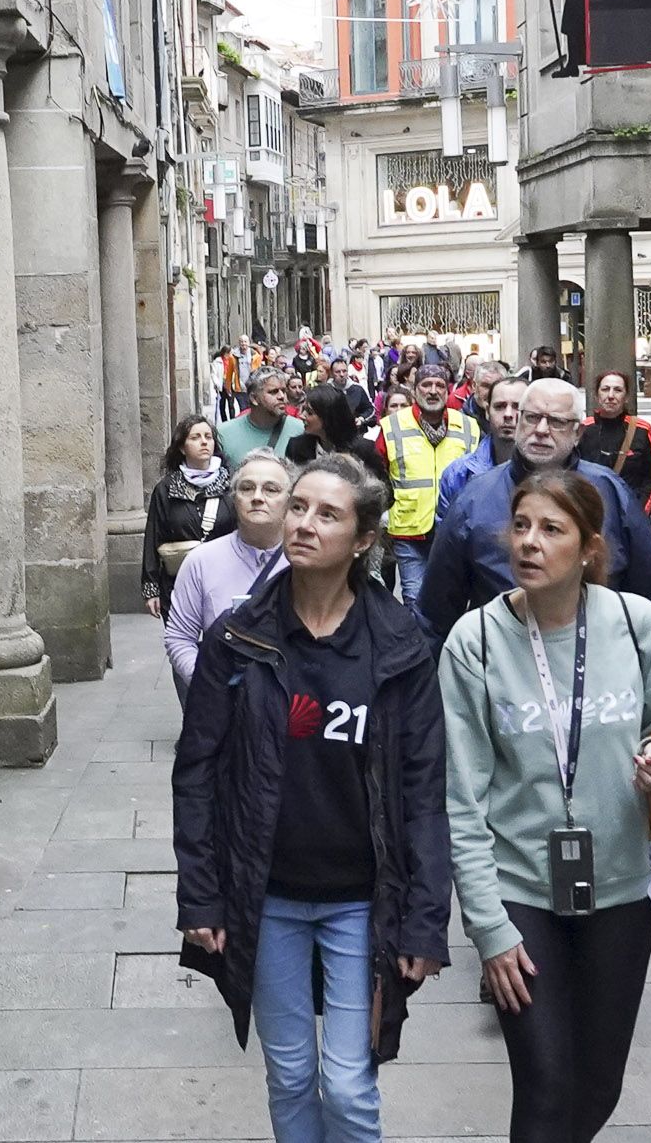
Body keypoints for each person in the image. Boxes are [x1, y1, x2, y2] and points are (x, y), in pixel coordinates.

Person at [173, 453, 453, 1143]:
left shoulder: (397, 645)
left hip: (361, 897)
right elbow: (197, 771)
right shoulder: (236, 637)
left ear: (362, 539)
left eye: (326, 514)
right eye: (298, 506)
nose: (302, 522)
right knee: (292, 1075)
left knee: (352, 1087)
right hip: (267, 895)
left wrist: (424, 918)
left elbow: (422, 784)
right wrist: (201, 896)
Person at [439, 466, 651, 1143]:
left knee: (596, 1082)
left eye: (549, 529)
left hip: (619, 888)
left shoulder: (633, 622)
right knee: (545, 1081)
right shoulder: (474, 640)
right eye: (520, 526)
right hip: (520, 888)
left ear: (588, 547)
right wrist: (486, 925)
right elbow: (461, 798)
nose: (527, 542)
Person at [417, 379, 651, 638]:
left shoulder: (610, 492)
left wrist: (625, 662)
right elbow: (436, 611)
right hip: (504, 664)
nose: (541, 430)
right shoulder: (473, 499)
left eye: (556, 421)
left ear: (577, 434)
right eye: (531, 418)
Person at [163, 452, 292, 693]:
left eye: (271, 489)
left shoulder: (306, 561)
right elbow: (179, 637)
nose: (257, 497)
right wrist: (209, 687)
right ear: (233, 498)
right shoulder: (201, 561)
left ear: (290, 500)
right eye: (247, 488)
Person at [376, 364, 484, 605]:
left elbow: (481, 477)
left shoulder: (468, 426)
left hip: (453, 532)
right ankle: (421, 644)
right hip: (409, 531)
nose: (433, 391)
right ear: (414, 391)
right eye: (426, 385)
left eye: (440, 386)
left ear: (448, 391)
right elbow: (376, 475)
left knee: (451, 601)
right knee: (415, 599)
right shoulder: (392, 427)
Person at [144, 415, 237, 621]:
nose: (204, 442)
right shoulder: (166, 489)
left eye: (208, 437)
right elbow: (153, 536)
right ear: (182, 447)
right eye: (195, 437)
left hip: (223, 581)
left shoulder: (231, 484)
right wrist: (151, 589)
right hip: (178, 583)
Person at [439, 374, 526, 520]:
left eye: (517, 407)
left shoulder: (551, 472)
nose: (508, 415)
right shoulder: (459, 474)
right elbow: (446, 537)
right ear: (487, 411)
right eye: (500, 407)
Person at [575, 370, 651, 515]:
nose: (610, 396)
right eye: (605, 389)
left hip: (631, 513)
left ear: (626, 397)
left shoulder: (641, 429)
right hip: (593, 514)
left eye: (618, 390)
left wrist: (641, 513)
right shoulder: (584, 429)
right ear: (597, 395)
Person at [218, 366, 308, 471]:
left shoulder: (300, 430)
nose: (282, 396)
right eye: (273, 392)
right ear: (254, 398)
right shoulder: (224, 434)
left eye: (283, 391)